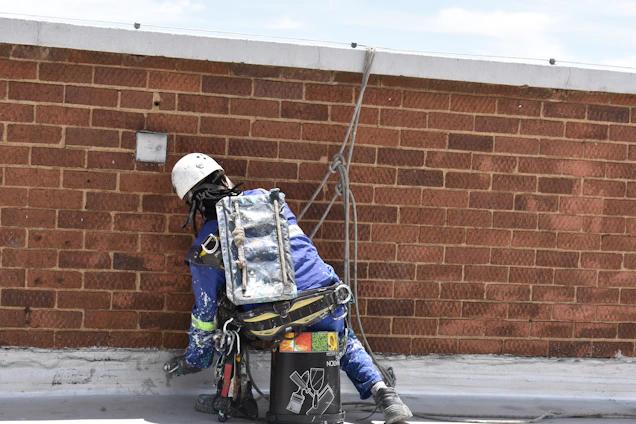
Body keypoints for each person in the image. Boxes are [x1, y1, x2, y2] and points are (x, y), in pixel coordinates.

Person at [166, 153, 412, 424]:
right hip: (324, 302)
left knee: (226, 321)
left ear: (193, 205)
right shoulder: (267, 200)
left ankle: (235, 399)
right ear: (224, 179)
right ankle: (384, 394)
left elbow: (204, 312)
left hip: (269, 321)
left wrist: (194, 361)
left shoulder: (205, 245)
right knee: (342, 340)